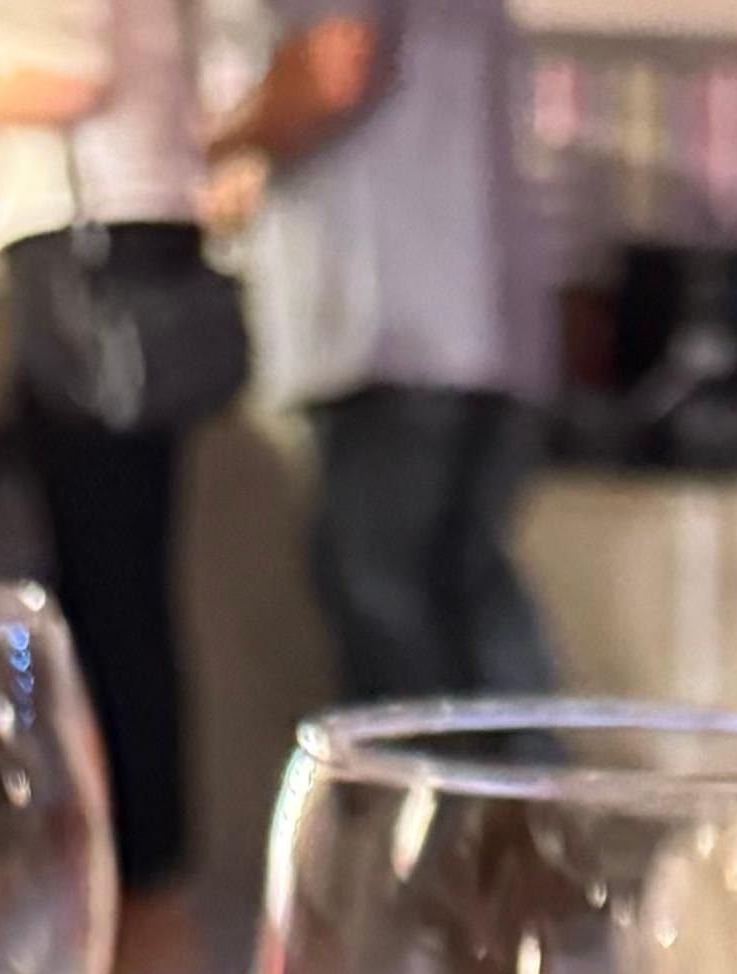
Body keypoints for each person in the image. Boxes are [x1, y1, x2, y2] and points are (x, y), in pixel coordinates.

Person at [0, 0, 232, 974]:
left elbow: (73, 76)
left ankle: (140, 904)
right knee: (118, 591)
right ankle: (132, 898)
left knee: (108, 597)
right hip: (131, 244)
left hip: (92, 259)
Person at [218, 0, 551, 705]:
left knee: (385, 602)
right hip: (479, 323)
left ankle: (425, 781)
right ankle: (515, 778)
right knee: (467, 595)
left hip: (394, 330)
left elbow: (335, 70)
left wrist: (196, 143)